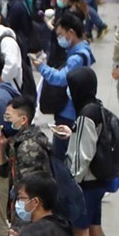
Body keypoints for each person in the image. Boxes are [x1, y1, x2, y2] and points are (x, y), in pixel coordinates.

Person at [62, 66, 118, 236]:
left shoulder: (85, 114)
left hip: (85, 183)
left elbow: (82, 155)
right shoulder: (98, 107)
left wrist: (70, 181)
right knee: (94, 228)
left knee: (81, 232)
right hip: (98, 181)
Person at [36, 12, 94, 155]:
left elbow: (61, 78)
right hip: (73, 108)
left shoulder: (76, 58)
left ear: (71, 33)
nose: (59, 39)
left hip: (68, 111)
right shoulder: (83, 49)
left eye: (60, 35)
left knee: (60, 152)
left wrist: (41, 67)